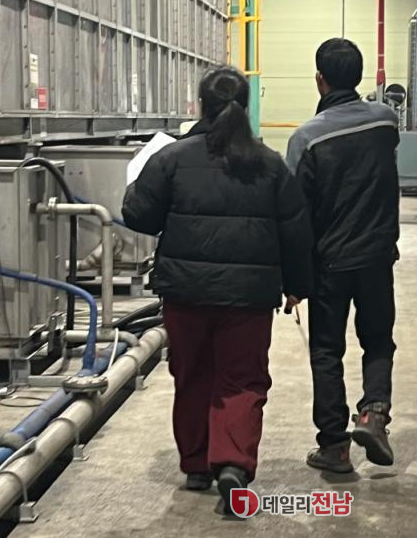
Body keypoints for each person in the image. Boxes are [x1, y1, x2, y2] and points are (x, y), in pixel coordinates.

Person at [123, 66, 313, 514]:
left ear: (199, 106)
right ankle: (232, 463)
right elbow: (296, 230)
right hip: (249, 298)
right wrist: (296, 285)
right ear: (246, 107)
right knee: (242, 380)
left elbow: (138, 216)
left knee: (192, 376)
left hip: (185, 294)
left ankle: (196, 464)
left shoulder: (171, 158)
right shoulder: (269, 164)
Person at [286, 38, 399, 473]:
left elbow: (295, 215)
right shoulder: (386, 121)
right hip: (377, 257)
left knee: (327, 351)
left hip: (328, 264)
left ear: (320, 79)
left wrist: (293, 280)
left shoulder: (306, 139)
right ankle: (374, 414)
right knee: (378, 340)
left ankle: (334, 446)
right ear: (359, 75)